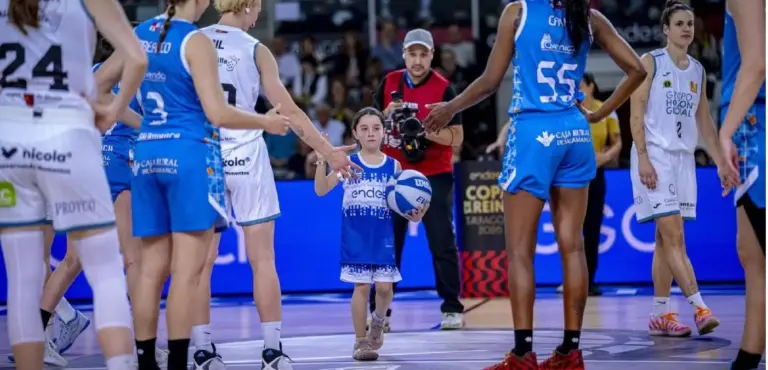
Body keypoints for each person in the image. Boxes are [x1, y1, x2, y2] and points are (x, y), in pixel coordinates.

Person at [424, 0, 648, 368]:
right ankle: (570, 353)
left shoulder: (519, 11)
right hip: (575, 132)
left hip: (534, 133)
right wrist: (602, 112)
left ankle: (523, 354)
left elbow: (490, 81)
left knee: (519, 252)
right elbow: (637, 69)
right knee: (573, 248)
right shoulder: (588, 16)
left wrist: (451, 107)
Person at [193, 0, 360, 368]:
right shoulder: (255, 49)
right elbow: (290, 111)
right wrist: (329, 152)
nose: (257, 19)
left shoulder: (193, 39)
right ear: (249, 5)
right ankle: (271, 351)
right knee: (263, 259)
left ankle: (202, 350)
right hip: (247, 154)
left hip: (204, 157)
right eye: (258, 10)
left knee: (200, 264)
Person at [0, 0, 148, 368]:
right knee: (106, 270)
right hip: (67, 137)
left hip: (12, 144)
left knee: (23, 280)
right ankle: (124, 361)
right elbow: (137, 57)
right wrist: (114, 112)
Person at [28, 57, 169, 367]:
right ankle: (144, 347)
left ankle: (36, 342)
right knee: (134, 260)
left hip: (88, 163)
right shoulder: (146, 68)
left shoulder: (92, 71)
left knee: (72, 260)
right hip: (122, 161)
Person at [628, 0, 739, 339]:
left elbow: (703, 122)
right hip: (656, 157)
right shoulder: (650, 62)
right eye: (679, 23)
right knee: (675, 237)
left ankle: (660, 315)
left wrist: (722, 161)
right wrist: (644, 156)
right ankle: (699, 307)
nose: (687, 28)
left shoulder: (697, 70)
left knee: (665, 240)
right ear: (665, 29)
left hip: (683, 161)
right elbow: (635, 113)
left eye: (690, 23)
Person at [370, 28, 465, 331]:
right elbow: (367, 126)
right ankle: (380, 312)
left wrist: (425, 130)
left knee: (441, 242)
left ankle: (452, 308)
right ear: (404, 55)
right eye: (413, 53)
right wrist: (387, 114)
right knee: (388, 245)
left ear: (432, 56)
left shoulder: (444, 89)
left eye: (424, 54)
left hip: (434, 174)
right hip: (395, 176)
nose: (418, 60)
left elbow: (458, 138)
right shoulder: (389, 83)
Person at [314, 107, 427, 361]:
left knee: (385, 289)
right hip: (356, 236)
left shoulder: (394, 165)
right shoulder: (348, 162)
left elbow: (403, 203)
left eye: (376, 128)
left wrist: (415, 215)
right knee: (362, 287)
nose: (371, 133)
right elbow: (321, 190)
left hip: (383, 236)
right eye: (364, 129)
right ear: (355, 133)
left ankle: (377, 320)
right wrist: (323, 158)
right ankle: (360, 341)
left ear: (384, 132)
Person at [717, 0, 766, 368]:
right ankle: (749, 357)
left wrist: (726, 129)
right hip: (752, 120)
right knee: (750, 251)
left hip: (754, 123)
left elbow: (756, 64)